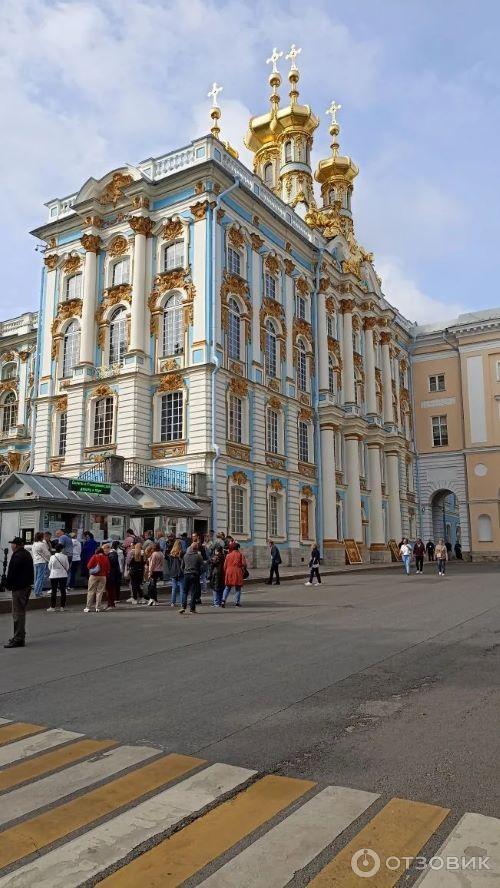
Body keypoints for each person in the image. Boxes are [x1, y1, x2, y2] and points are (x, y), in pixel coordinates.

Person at [4, 537, 35, 648]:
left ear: (16, 545)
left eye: (12, 544)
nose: (11, 546)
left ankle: (18, 638)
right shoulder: (26, 554)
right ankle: (20, 635)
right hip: (26, 587)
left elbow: (12, 572)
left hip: (19, 588)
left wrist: (7, 585)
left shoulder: (17, 556)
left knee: (18, 614)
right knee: (21, 612)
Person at [179, 541, 204, 614]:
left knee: (185, 591)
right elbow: (202, 566)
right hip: (195, 574)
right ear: (196, 548)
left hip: (186, 574)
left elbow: (182, 567)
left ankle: (183, 607)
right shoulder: (198, 556)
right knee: (193, 592)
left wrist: (185, 572)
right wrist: (199, 573)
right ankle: (192, 608)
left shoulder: (185, 555)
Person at [84, 546, 110, 613]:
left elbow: (88, 566)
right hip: (103, 576)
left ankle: (88, 607)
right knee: (100, 592)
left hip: (94, 576)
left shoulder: (94, 557)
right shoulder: (106, 558)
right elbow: (108, 568)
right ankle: (98, 607)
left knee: (91, 591)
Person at [222, 541, 247, 607]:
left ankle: (223, 600)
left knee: (227, 587)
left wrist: (225, 572)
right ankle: (237, 602)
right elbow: (244, 564)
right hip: (237, 571)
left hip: (229, 571)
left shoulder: (228, 555)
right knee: (238, 588)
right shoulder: (240, 555)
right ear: (237, 548)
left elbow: (224, 566)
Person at [47, 543, 69, 612]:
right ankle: (62, 607)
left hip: (54, 575)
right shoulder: (65, 557)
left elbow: (49, 567)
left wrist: (53, 570)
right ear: (62, 549)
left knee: (54, 591)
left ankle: (52, 607)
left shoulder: (52, 557)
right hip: (63, 575)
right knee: (63, 591)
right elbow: (67, 567)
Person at [31, 531, 52, 599]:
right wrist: (50, 559)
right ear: (41, 537)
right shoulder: (42, 544)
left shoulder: (34, 544)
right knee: (41, 578)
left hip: (36, 562)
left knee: (37, 577)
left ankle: (37, 591)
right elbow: (47, 553)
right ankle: (38, 592)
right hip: (42, 561)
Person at [103, 542, 120, 609]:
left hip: (111, 574)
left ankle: (111, 604)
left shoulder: (112, 554)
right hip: (112, 574)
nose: (103, 551)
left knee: (110, 590)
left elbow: (112, 563)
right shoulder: (112, 554)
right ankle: (110, 603)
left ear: (107, 548)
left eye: (104, 549)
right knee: (109, 590)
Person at [169, 539, 184, 607]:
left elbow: (170, 564)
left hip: (173, 571)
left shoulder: (172, 553)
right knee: (182, 588)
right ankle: (182, 602)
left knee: (174, 588)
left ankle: (173, 602)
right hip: (180, 571)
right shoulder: (182, 553)